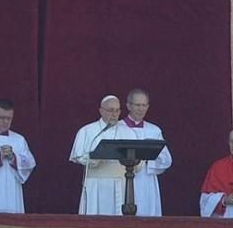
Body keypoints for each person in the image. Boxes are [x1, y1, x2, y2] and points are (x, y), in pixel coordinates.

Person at [69, 95, 139, 215]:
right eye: (110, 110)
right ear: (101, 111)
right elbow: (79, 157)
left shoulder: (129, 132)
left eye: (117, 110)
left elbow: (138, 162)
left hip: (121, 185)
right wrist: (95, 157)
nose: (114, 114)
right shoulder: (87, 131)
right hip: (96, 185)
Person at [119, 88, 172, 216]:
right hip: (121, 181)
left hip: (146, 182)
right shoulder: (117, 128)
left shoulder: (154, 130)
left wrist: (145, 163)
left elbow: (166, 160)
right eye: (137, 105)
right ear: (128, 106)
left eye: (144, 105)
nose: (141, 109)